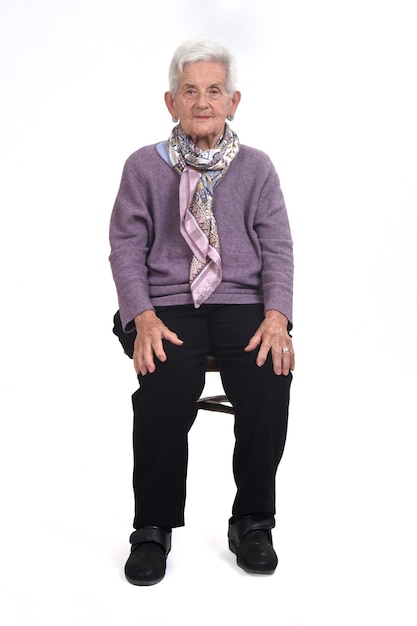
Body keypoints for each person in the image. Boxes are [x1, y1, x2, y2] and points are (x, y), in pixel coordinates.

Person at [109, 38, 294, 586]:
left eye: (214, 91)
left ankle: (253, 522)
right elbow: (124, 246)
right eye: (190, 91)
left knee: (268, 376)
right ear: (171, 102)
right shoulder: (144, 166)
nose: (203, 102)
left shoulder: (257, 168)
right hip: (164, 302)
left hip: (241, 299)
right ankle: (152, 530)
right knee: (166, 382)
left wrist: (278, 315)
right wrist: (140, 316)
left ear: (234, 100)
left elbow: (279, 246)